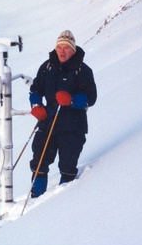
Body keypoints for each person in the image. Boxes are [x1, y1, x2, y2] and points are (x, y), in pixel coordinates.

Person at [28, 30, 97, 198]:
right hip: (48, 121)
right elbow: (35, 89)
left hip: (73, 125)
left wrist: (72, 100)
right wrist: (37, 105)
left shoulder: (82, 70)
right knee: (39, 161)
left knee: (67, 165)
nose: (62, 51)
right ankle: (35, 198)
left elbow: (91, 97)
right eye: (59, 47)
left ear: (73, 50)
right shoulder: (47, 67)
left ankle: (62, 203)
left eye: (66, 47)